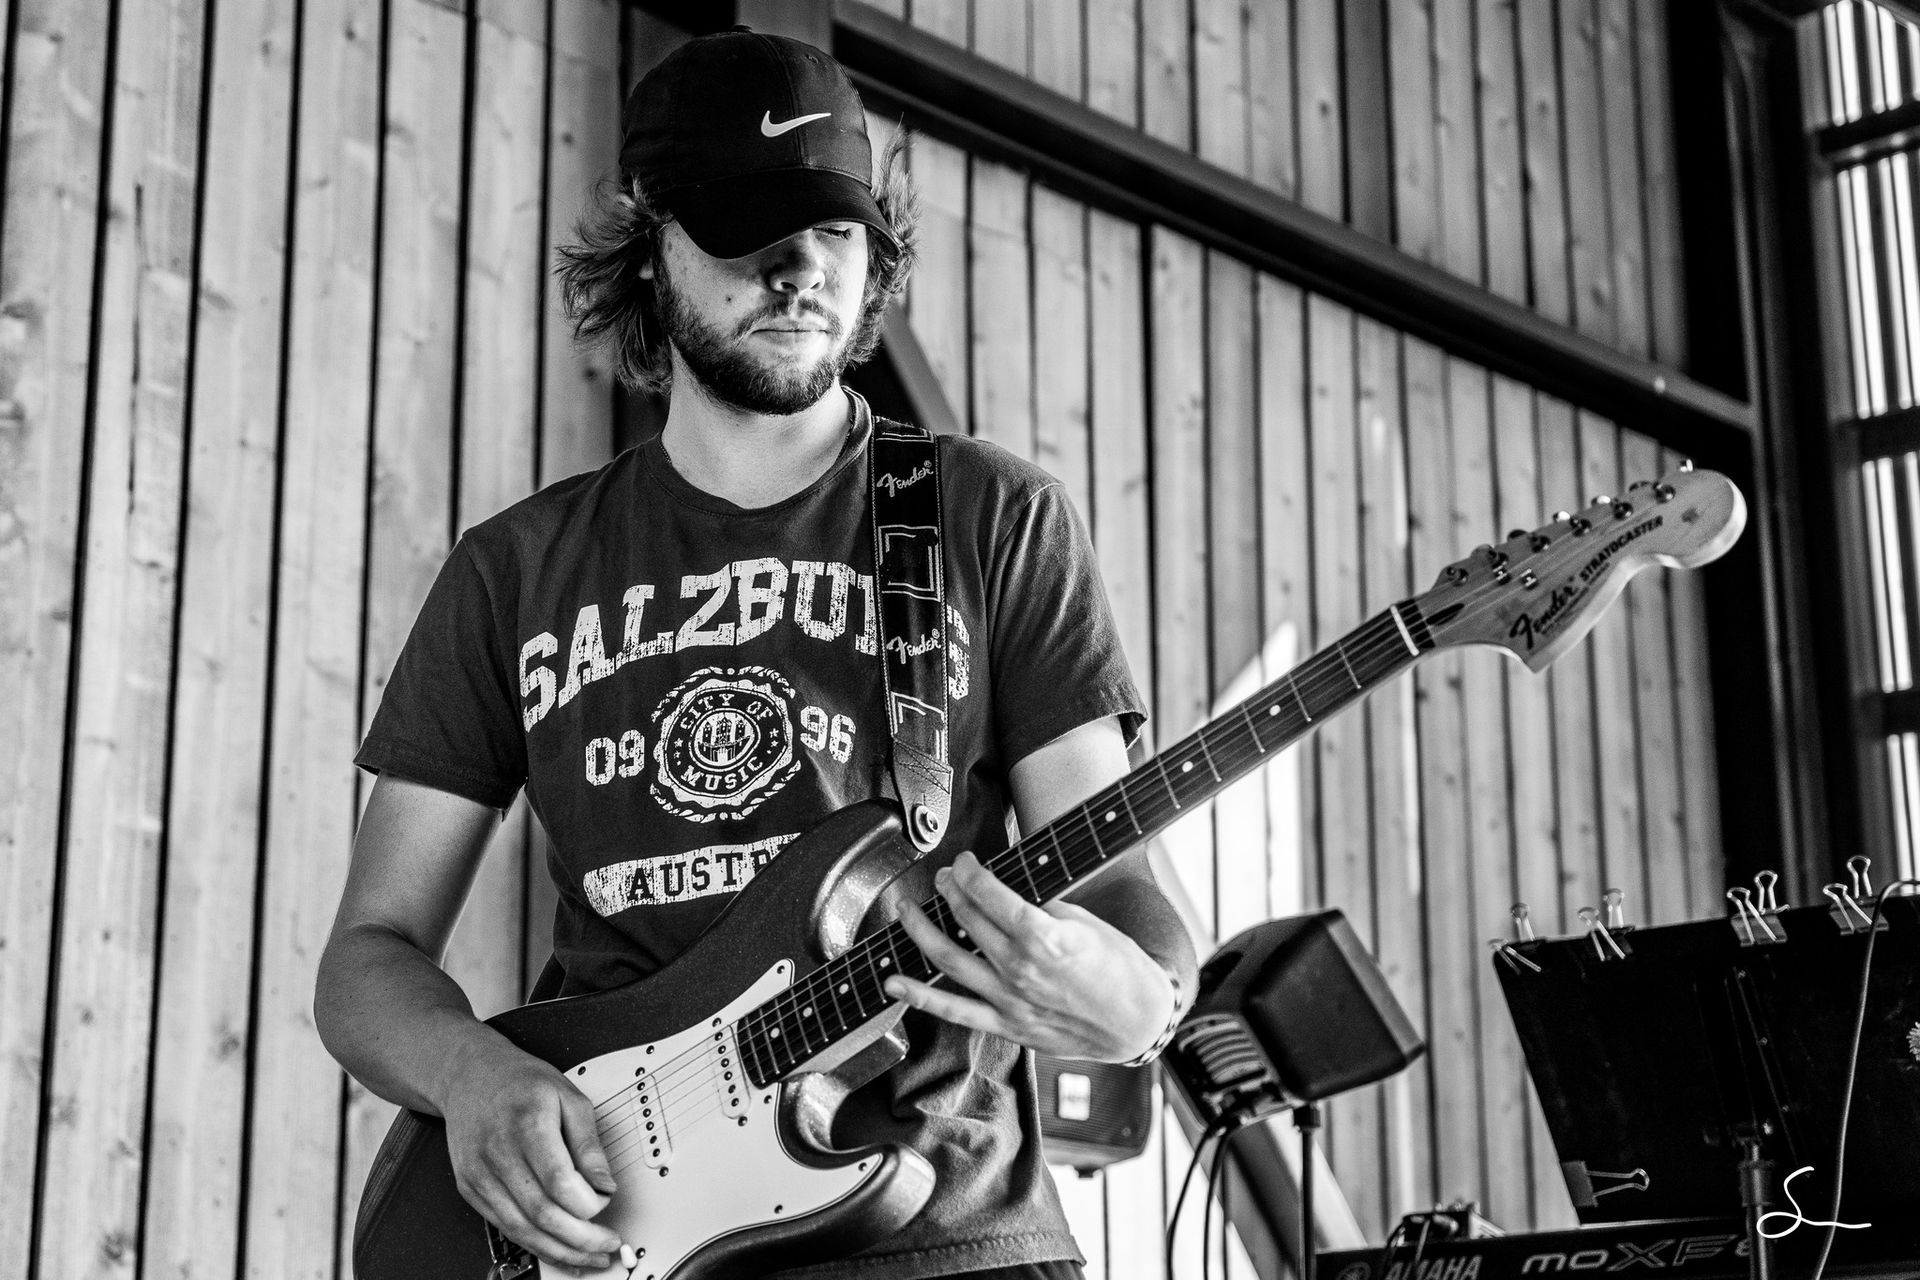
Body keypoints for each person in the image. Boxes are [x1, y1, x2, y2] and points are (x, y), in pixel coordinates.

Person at [315, 27, 1196, 1280]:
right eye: (750, 227)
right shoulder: (515, 569)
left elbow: (1122, 889)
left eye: (835, 231)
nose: (799, 271)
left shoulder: (990, 517)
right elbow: (366, 958)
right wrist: (473, 1073)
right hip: (616, 1224)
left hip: (942, 1230)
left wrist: (1139, 1003)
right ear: (647, 246)